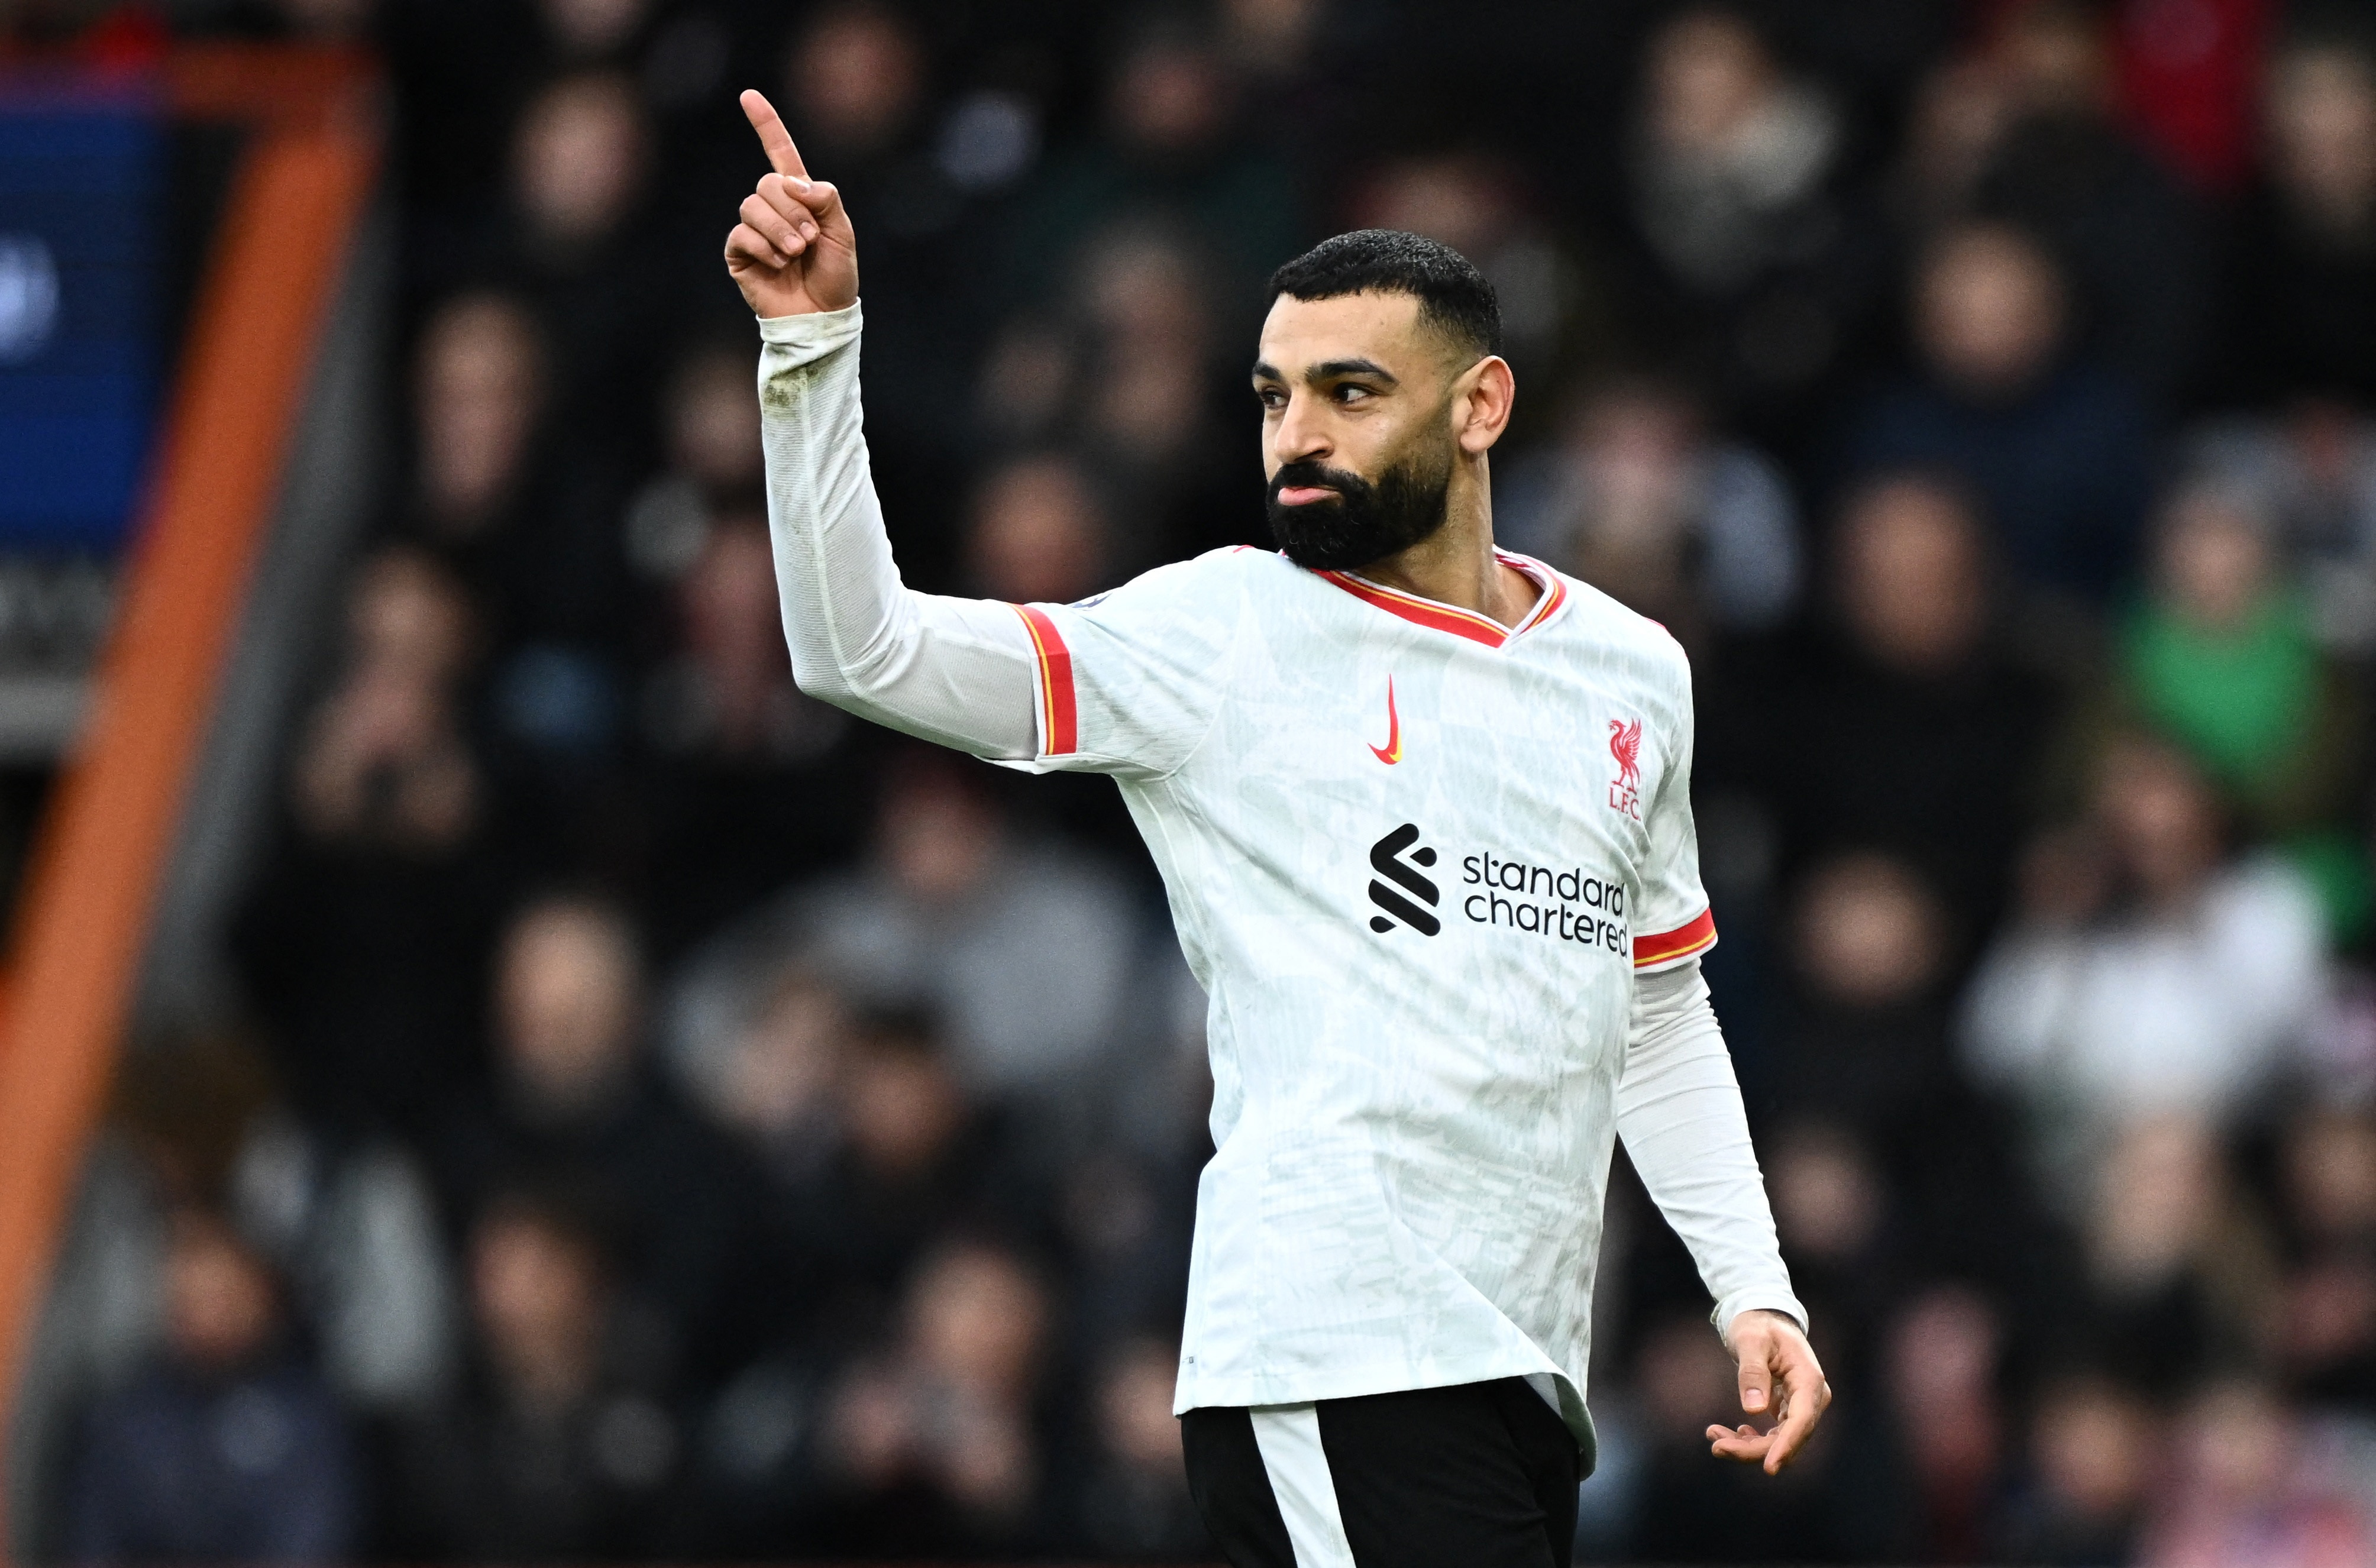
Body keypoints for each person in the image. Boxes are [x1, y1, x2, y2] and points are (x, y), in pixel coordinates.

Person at [722, 88, 1827, 1567]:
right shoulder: (1221, 633)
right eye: (1269, 397)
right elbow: (862, 653)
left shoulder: (1629, 672)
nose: (1294, 436)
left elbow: (1655, 1004)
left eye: (1346, 393)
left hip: (1519, 1373)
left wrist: (1750, 1286)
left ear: (1479, 406)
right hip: (1333, 1353)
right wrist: (810, 352)